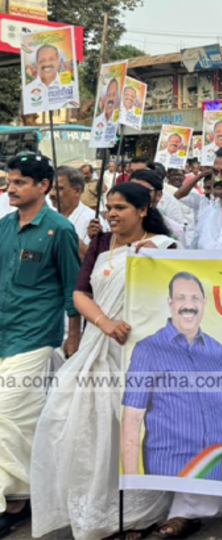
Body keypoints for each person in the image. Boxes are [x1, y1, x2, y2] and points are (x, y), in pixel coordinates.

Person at [31, 183, 175, 540]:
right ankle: (96, 511)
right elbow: (80, 292)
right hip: (99, 347)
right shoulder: (99, 244)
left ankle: (139, 513)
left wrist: (151, 266)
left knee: (133, 431)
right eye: (109, 206)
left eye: (121, 207)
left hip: (141, 351)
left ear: (143, 210)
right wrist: (104, 323)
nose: (112, 213)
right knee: (82, 427)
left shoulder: (164, 247)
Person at [121, 271, 222, 538]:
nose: (188, 303)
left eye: (195, 297)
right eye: (181, 297)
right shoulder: (148, 349)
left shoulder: (218, 351)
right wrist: (133, 487)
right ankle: (174, 512)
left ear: (204, 304)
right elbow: (132, 419)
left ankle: (190, 514)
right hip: (167, 468)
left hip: (213, 475)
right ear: (170, 302)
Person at [0, 154, 81, 535]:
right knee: (16, 422)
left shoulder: (59, 229)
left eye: (19, 182)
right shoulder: (4, 227)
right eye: (10, 182)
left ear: (43, 186)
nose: (11, 189)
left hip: (36, 336)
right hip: (4, 333)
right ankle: (21, 495)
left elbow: (73, 287)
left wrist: (74, 335)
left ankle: (17, 499)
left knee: (8, 414)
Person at [52, 166, 100, 259]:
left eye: (59, 189)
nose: (52, 194)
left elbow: (96, 260)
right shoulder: (47, 216)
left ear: (77, 191)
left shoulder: (92, 219)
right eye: (52, 188)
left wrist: (68, 237)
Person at [126, 169, 186, 243]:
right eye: (133, 190)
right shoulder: (115, 224)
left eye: (145, 191)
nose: (137, 195)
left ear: (158, 195)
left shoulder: (174, 230)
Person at [23, 44, 69, 112]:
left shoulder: (70, 86)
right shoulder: (27, 90)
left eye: (52, 59)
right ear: (37, 64)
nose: (47, 64)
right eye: (42, 60)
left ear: (58, 62)